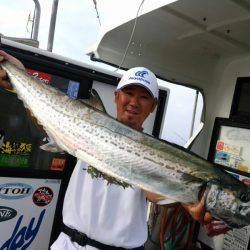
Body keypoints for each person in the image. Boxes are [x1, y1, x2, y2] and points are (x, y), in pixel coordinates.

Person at [0, 50, 228, 250]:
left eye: (144, 97)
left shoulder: (158, 154)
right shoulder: (85, 127)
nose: (134, 102)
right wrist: (18, 74)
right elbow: (47, 122)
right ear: (116, 96)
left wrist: (201, 212)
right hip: (67, 243)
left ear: (153, 106)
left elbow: (156, 193)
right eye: (128, 93)